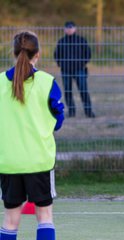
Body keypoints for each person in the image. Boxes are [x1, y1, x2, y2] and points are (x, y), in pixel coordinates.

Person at [0, 31, 64, 240]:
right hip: (39, 161)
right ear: (38, 53)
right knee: (44, 216)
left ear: (13, 52)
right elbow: (58, 120)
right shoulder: (47, 82)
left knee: (10, 219)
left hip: (8, 162)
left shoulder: (0, 82)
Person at [54, 21, 95, 118]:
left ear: (75, 28)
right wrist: (61, 64)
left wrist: (82, 64)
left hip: (79, 70)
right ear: (64, 29)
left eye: (71, 27)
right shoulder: (61, 41)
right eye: (67, 28)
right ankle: (71, 112)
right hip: (66, 70)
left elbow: (88, 53)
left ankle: (88, 111)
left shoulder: (81, 40)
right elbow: (56, 55)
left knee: (83, 90)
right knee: (68, 91)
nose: (69, 29)